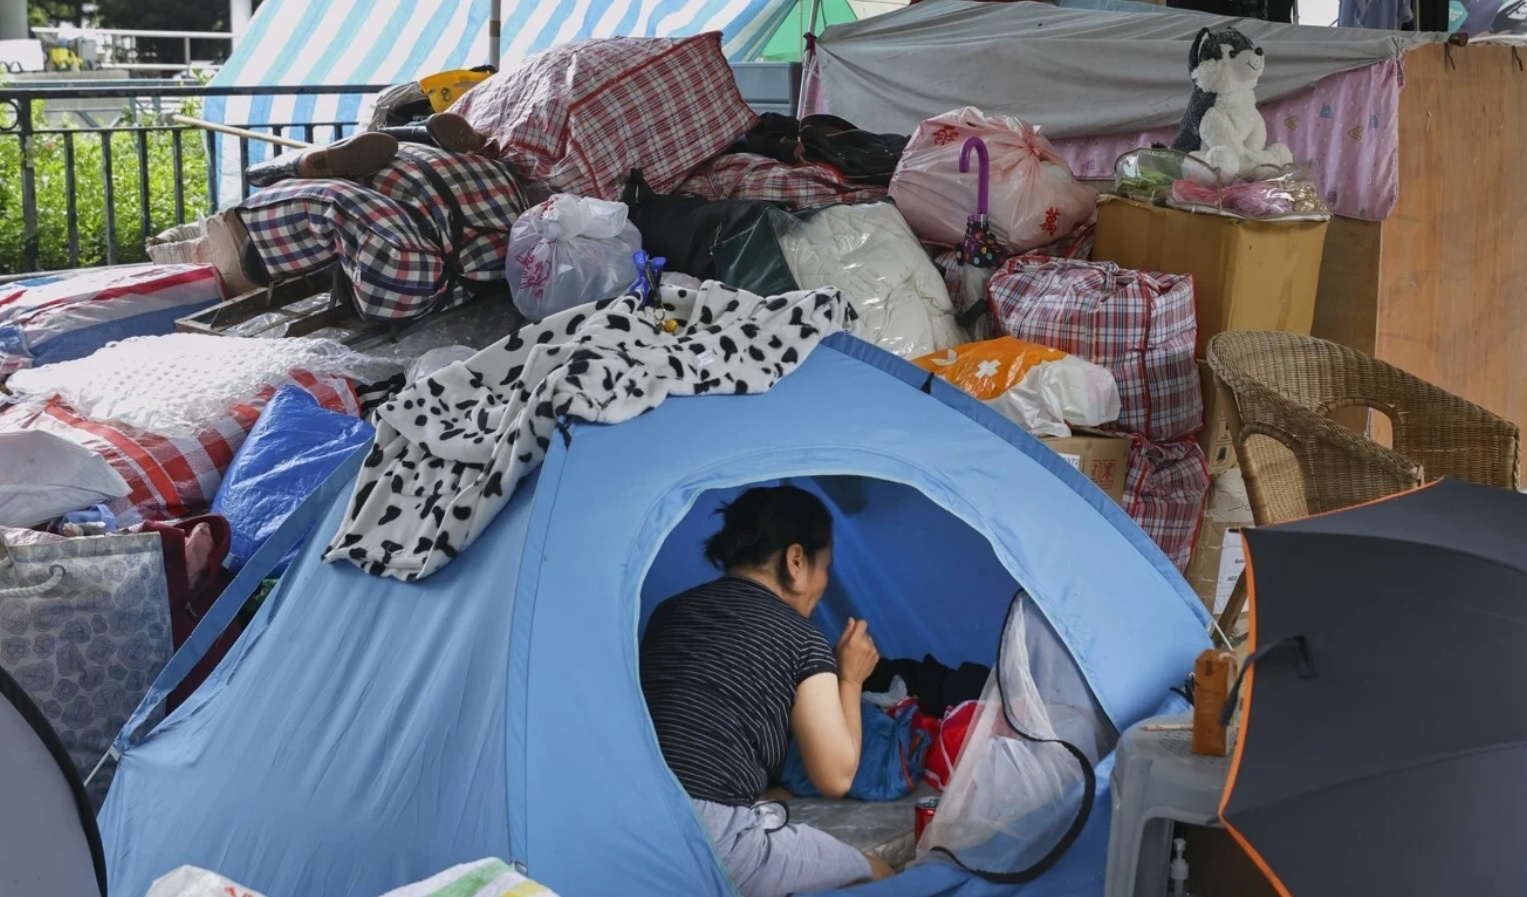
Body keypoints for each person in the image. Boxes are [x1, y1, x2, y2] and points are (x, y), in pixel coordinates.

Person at [640, 486, 896, 897]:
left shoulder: (668, 613)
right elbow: (835, 777)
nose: (825, 583)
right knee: (877, 875)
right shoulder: (801, 638)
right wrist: (850, 678)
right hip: (713, 839)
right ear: (796, 561)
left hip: (633, 817)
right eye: (825, 567)